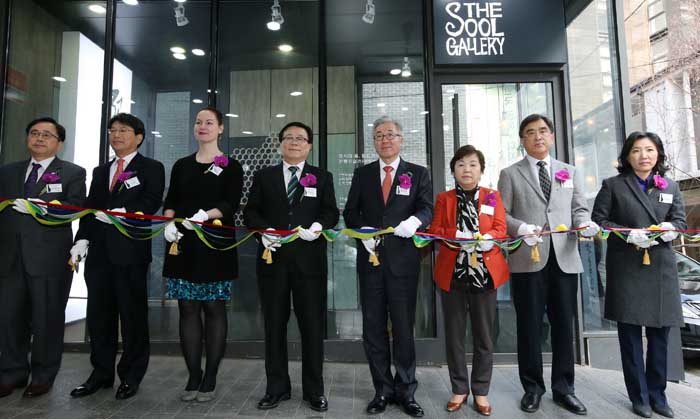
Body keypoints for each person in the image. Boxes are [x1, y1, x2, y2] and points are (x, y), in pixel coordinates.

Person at [497, 114, 599, 415]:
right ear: (522, 140)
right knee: (528, 327)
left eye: (543, 131)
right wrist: (519, 229)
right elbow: (502, 217)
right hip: (528, 259)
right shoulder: (510, 173)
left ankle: (564, 388)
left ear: (552, 137)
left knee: (564, 326)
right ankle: (532, 388)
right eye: (530, 132)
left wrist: (584, 224)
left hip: (564, 259)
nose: (538, 137)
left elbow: (579, 209)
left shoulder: (569, 171)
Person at [243, 121, 339, 412]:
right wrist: (264, 230)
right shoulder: (264, 176)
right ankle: (276, 388)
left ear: (309, 145)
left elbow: (331, 211)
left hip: (309, 264)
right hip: (273, 263)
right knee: (274, 327)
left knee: (312, 328)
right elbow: (250, 211)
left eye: (300, 138)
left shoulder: (321, 177)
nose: (294, 142)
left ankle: (314, 391)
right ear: (280, 144)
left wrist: (319, 226)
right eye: (288, 138)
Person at [69, 113, 165, 400]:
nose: (116, 135)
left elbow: (152, 201)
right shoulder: (101, 171)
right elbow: (90, 207)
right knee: (99, 316)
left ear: (139, 136)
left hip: (130, 253)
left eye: (124, 130)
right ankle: (100, 373)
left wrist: (124, 216)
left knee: (132, 315)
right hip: (98, 254)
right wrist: (81, 238)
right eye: (113, 130)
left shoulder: (151, 167)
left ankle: (131, 375)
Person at [343, 116, 433, 417]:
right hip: (371, 263)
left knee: (404, 329)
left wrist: (414, 221)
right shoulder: (363, 174)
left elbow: (427, 208)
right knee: (374, 329)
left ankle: (406, 390)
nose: (385, 139)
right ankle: (382, 389)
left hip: (404, 264)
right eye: (379, 135)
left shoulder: (418, 173)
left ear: (401, 139)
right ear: (374, 141)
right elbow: (350, 212)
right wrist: (362, 234)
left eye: (391, 134)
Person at [592, 132, 686, 419]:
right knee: (631, 338)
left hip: (660, 269)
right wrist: (626, 233)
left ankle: (659, 396)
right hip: (628, 268)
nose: (644, 155)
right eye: (636, 150)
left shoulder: (669, 185)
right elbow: (599, 221)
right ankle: (639, 397)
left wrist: (670, 228)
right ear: (626, 156)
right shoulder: (613, 185)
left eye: (649, 149)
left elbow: (680, 220)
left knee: (660, 338)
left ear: (658, 153)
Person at [161, 107, 243, 403]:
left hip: (214, 245)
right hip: (182, 244)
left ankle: (210, 376)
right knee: (187, 309)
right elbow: (171, 199)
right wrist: (168, 221)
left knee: (213, 309)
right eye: (198, 122)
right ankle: (193, 374)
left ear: (221, 128)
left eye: (209, 122)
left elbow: (231, 202)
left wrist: (204, 215)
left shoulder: (230, 165)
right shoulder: (182, 165)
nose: (203, 126)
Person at [0, 117, 86, 398]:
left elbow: (74, 208)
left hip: (49, 258)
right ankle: (12, 372)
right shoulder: (8, 172)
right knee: (10, 316)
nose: (39, 138)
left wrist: (42, 209)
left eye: (47, 135)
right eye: (34, 133)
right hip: (10, 258)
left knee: (47, 318)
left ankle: (43, 374)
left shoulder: (72, 172)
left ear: (59, 142)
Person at [428, 145, 509, 416]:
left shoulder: (492, 196)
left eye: (473, 164)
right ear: (453, 169)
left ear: (481, 169)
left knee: (484, 337)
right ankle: (459, 388)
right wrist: (455, 235)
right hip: (453, 275)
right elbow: (435, 230)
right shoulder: (444, 198)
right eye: (461, 164)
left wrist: (490, 240)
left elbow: (500, 228)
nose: (467, 169)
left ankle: (482, 391)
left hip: (485, 275)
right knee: (455, 337)